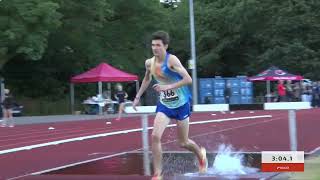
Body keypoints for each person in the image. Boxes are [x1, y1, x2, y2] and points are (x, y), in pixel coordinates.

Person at [132, 31, 207, 180]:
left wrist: (168, 87)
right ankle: (158, 174)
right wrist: (137, 96)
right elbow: (147, 79)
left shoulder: (172, 60)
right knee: (155, 136)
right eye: (153, 45)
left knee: (183, 142)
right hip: (165, 105)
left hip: (181, 104)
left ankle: (201, 156)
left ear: (165, 46)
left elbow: (188, 79)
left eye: (158, 45)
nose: (155, 48)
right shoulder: (149, 63)